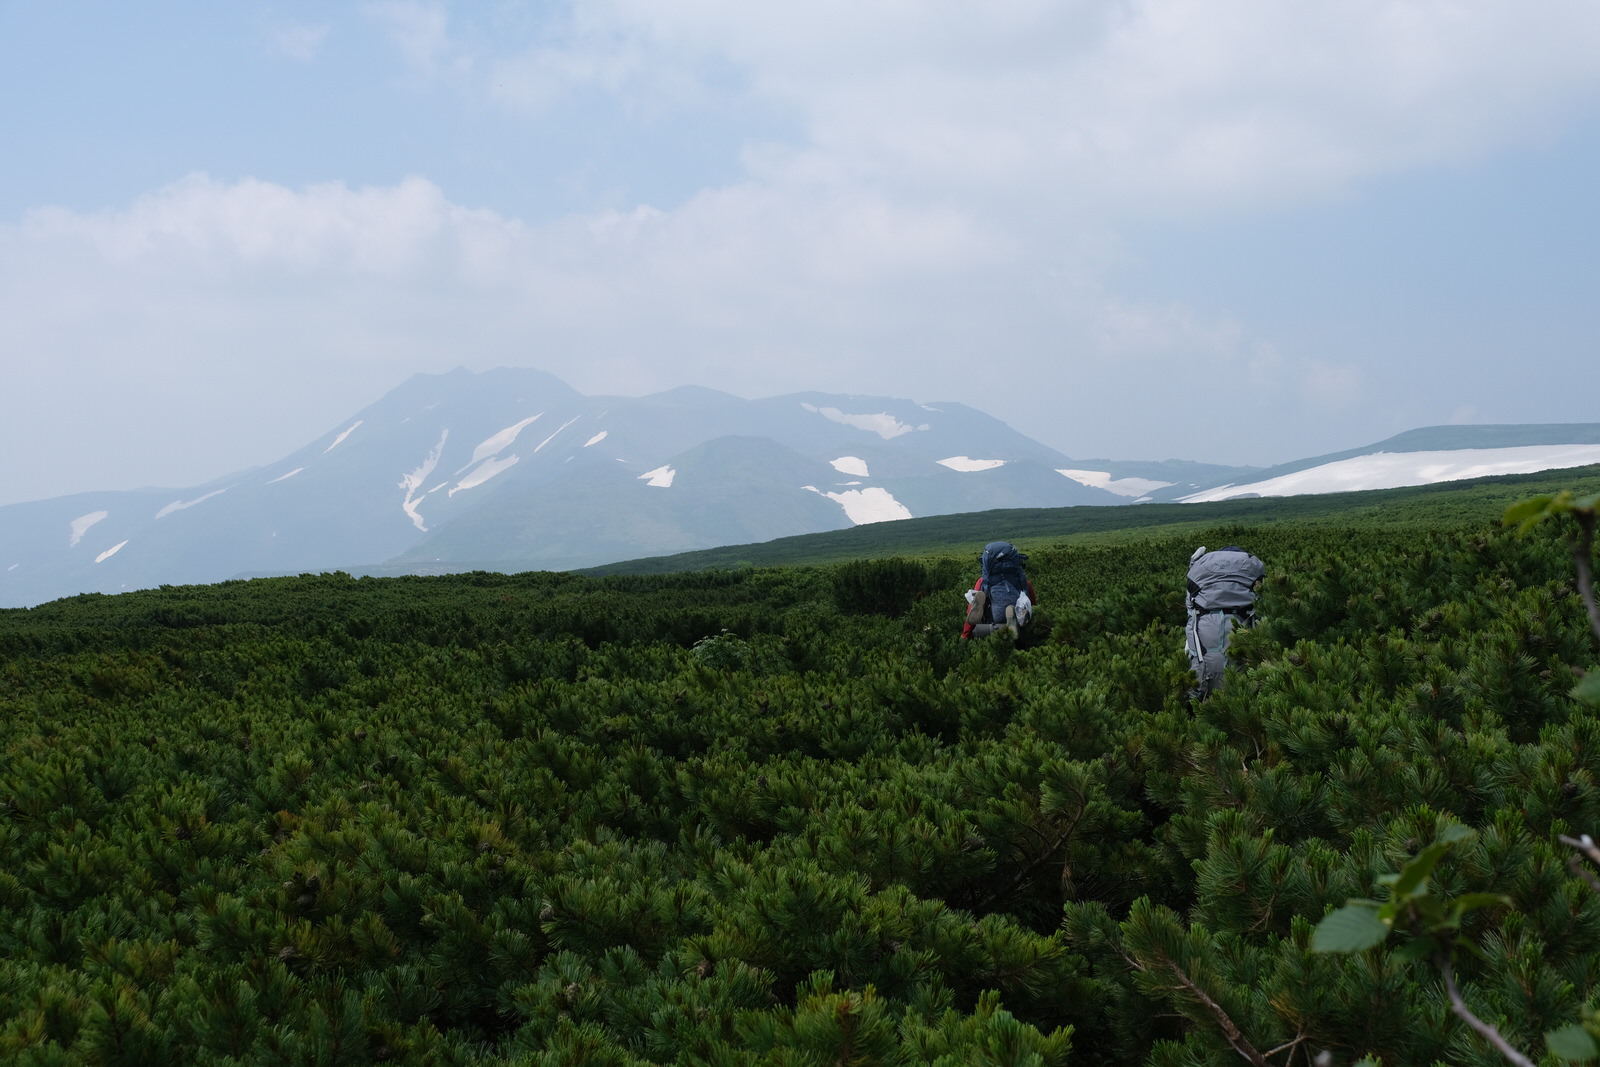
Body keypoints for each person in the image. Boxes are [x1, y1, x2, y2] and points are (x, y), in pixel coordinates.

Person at [1184, 544, 1265, 699]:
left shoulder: (1198, 572)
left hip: (1202, 685)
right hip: (1246, 689)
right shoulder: (1254, 573)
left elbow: (1189, 609)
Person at [962, 541, 1037, 639]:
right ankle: (1015, 619)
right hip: (1021, 632)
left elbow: (970, 610)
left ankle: (995, 621)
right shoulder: (1025, 583)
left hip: (990, 629)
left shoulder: (982, 582)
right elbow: (1035, 608)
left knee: (975, 600)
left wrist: (965, 635)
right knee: (1026, 607)